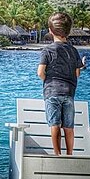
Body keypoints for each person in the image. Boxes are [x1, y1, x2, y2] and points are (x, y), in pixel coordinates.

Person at [37, 12, 84, 156]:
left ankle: (57, 154)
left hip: (52, 92)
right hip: (69, 94)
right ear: (68, 31)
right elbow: (77, 73)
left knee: (55, 124)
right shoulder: (73, 50)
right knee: (69, 126)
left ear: (50, 31)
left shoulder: (47, 50)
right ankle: (70, 154)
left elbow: (40, 72)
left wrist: (47, 80)